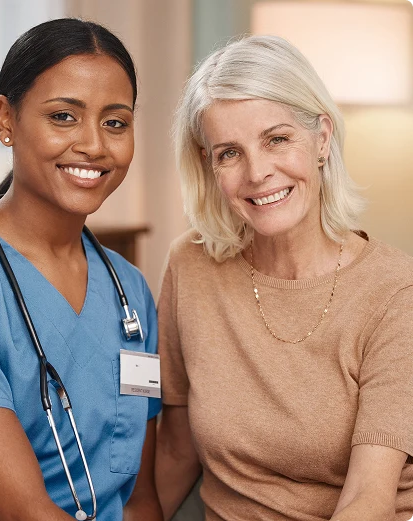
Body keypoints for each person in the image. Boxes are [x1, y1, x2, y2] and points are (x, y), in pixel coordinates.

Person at [0, 18, 163, 521]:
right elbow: (21, 510)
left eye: (115, 122)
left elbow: (139, 501)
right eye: (64, 116)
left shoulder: (130, 293)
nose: (94, 144)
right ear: (6, 119)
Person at [155, 35, 413, 521]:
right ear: (209, 166)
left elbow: (368, 502)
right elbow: (176, 449)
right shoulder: (189, 267)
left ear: (321, 139)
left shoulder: (396, 291)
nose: (257, 173)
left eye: (277, 139)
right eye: (229, 153)